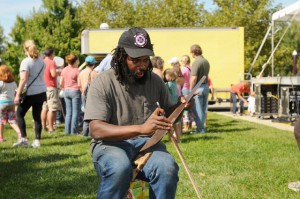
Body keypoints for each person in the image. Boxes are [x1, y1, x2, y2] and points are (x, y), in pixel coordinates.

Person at [84, 27, 192, 199]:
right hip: (110, 145)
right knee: (119, 168)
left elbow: (168, 116)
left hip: (148, 145)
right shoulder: (103, 82)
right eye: (136, 60)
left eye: (145, 60)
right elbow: (96, 130)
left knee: (167, 167)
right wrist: (141, 129)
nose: (142, 65)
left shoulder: (155, 81)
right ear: (121, 57)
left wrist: (180, 107)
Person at [13, 40, 46, 148]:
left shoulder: (26, 62)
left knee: (19, 114)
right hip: (41, 91)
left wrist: (17, 94)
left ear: (25, 49)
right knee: (37, 116)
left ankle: (24, 139)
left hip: (30, 92)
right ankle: (37, 141)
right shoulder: (41, 60)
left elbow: (23, 79)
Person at [189, 44, 210, 134]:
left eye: (191, 53)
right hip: (205, 86)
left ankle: (200, 129)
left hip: (198, 88)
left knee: (198, 110)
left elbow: (194, 78)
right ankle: (202, 129)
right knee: (202, 109)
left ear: (194, 52)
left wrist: (191, 91)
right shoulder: (206, 61)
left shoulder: (197, 62)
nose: (191, 55)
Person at [60, 53, 81, 135]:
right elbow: (79, 84)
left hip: (66, 91)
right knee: (75, 112)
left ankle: (67, 131)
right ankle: (74, 131)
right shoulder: (77, 70)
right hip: (75, 91)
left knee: (68, 112)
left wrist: (64, 87)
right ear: (75, 61)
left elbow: (61, 82)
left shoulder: (64, 69)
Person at [0, 65, 21, 143]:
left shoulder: (1, 83)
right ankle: (20, 133)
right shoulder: (14, 83)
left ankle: (1, 138)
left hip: (2, 104)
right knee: (12, 120)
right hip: (11, 103)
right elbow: (15, 92)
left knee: (0, 121)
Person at [41, 47, 60, 133]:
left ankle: (43, 126)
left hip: (43, 87)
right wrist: (57, 73)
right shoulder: (51, 62)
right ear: (52, 54)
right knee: (52, 108)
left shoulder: (42, 61)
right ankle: (51, 128)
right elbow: (52, 74)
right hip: (51, 87)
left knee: (44, 107)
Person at [78, 55, 97, 136]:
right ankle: (90, 133)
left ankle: (84, 132)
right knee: (92, 114)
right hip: (92, 96)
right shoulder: (94, 73)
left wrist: (83, 91)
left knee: (86, 114)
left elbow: (79, 85)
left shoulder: (81, 72)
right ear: (93, 64)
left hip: (83, 95)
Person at [163, 68, 182, 142]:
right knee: (176, 124)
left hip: (171, 105)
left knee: (170, 123)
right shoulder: (175, 83)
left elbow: (165, 89)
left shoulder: (169, 84)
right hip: (176, 104)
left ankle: (171, 139)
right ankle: (179, 139)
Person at [181, 55, 192, 131]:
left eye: (182, 61)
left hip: (184, 89)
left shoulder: (184, 69)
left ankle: (185, 126)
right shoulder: (191, 69)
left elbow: (178, 77)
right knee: (190, 108)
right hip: (190, 89)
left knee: (185, 108)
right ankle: (190, 125)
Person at [54, 56, 65, 124]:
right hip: (59, 88)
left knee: (60, 104)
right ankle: (58, 118)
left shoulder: (57, 70)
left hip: (58, 88)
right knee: (59, 104)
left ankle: (59, 118)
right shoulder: (59, 71)